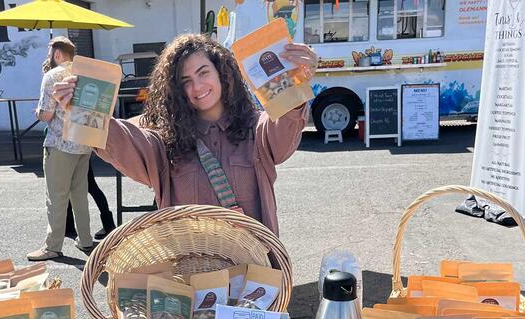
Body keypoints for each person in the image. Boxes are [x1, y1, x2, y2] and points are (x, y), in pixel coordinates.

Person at [53, 34, 316, 236]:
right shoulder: (165, 140)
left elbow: (282, 136)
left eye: (203, 73)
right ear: (176, 90)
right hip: (192, 280)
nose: (197, 86)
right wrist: (84, 109)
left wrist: (296, 85)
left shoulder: (255, 128)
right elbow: (125, 141)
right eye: (186, 81)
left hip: (256, 278)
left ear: (222, 74)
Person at [27, 37, 94, 262]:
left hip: (59, 143)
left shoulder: (52, 76)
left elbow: (46, 114)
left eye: (49, 53)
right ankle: (85, 239)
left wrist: (37, 112)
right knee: (79, 195)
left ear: (56, 54)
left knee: (56, 197)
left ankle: (52, 246)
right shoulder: (84, 74)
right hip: (84, 143)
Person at [65, 162, 117, 241]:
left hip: (66, 153)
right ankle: (109, 225)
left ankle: (69, 227)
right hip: (82, 153)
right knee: (92, 187)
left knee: (67, 187)